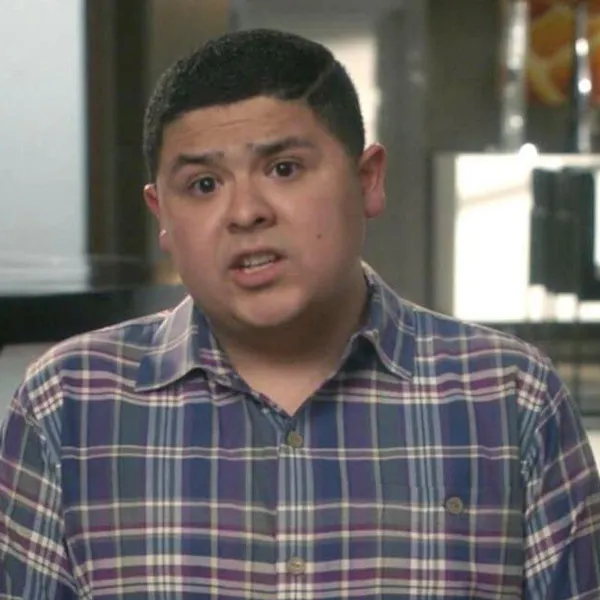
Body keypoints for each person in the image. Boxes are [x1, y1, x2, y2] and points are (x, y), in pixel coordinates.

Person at [1, 28, 599, 599]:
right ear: (162, 215)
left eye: (283, 169)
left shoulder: (509, 397)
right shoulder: (69, 405)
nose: (246, 212)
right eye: (204, 184)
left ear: (368, 180)